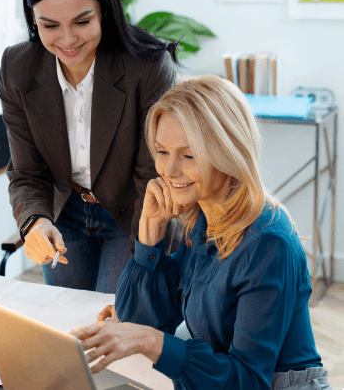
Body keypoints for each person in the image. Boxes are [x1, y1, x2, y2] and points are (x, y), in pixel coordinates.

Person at [71, 75, 332, 389]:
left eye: (188, 155)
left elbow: (249, 381)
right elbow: (136, 322)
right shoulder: (203, 218)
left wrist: (148, 340)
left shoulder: (268, 242)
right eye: (162, 151)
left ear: (228, 152)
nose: (169, 170)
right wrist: (150, 233)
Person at [0, 0, 183, 294]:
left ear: (105, 11)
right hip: (65, 212)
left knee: (114, 318)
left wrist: (145, 263)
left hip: (133, 211)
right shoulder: (17, 69)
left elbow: (153, 175)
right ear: (33, 19)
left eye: (82, 22)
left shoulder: (147, 67)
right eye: (50, 25)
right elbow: (27, 172)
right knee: (69, 321)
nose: (67, 40)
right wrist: (35, 221)